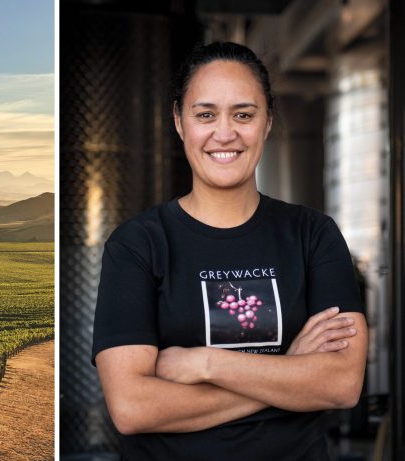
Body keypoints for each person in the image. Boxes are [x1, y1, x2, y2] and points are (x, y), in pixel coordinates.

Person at [91, 42, 368, 461]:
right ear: (179, 122)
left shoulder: (313, 234)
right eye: (205, 115)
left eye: (243, 114)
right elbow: (132, 408)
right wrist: (288, 371)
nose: (225, 133)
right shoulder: (138, 244)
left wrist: (207, 364)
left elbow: (340, 385)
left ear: (268, 122)